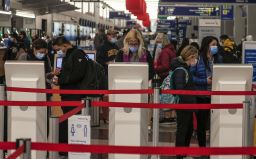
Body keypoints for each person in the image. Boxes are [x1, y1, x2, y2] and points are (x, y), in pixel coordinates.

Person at [52, 36, 88, 157]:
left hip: (74, 95)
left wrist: (61, 80)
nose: (58, 52)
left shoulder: (78, 54)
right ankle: (66, 148)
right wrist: (59, 74)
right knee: (68, 120)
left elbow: (78, 74)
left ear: (65, 45)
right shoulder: (68, 55)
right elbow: (70, 73)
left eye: (58, 49)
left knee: (72, 121)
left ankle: (70, 149)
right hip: (67, 94)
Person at [190, 36, 222, 159]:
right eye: (213, 44)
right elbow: (191, 77)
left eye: (216, 44)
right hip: (201, 96)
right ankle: (203, 150)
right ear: (207, 45)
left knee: (215, 123)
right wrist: (205, 81)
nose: (215, 46)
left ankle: (214, 147)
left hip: (216, 96)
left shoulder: (218, 58)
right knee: (202, 125)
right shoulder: (197, 59)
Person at [171, 45, 198, 159]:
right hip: (183, 106)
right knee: (182, 130)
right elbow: (180, 89)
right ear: (191, 57)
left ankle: (184, 154)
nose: (196, 60)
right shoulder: (181, 70)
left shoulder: (185, 68)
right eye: (195, 57)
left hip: (188, 105)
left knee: (188, 129)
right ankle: (180, 156)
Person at [154, 33, 177, 124]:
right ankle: (172, 116)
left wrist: (155, 68)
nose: (157, 44)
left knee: (165, 95)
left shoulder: (164, 51)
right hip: (171, 75)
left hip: (165, 75)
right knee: (171, 96)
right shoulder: (171, 50)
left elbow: (165, 65)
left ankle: (168, 117)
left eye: (159, 41)